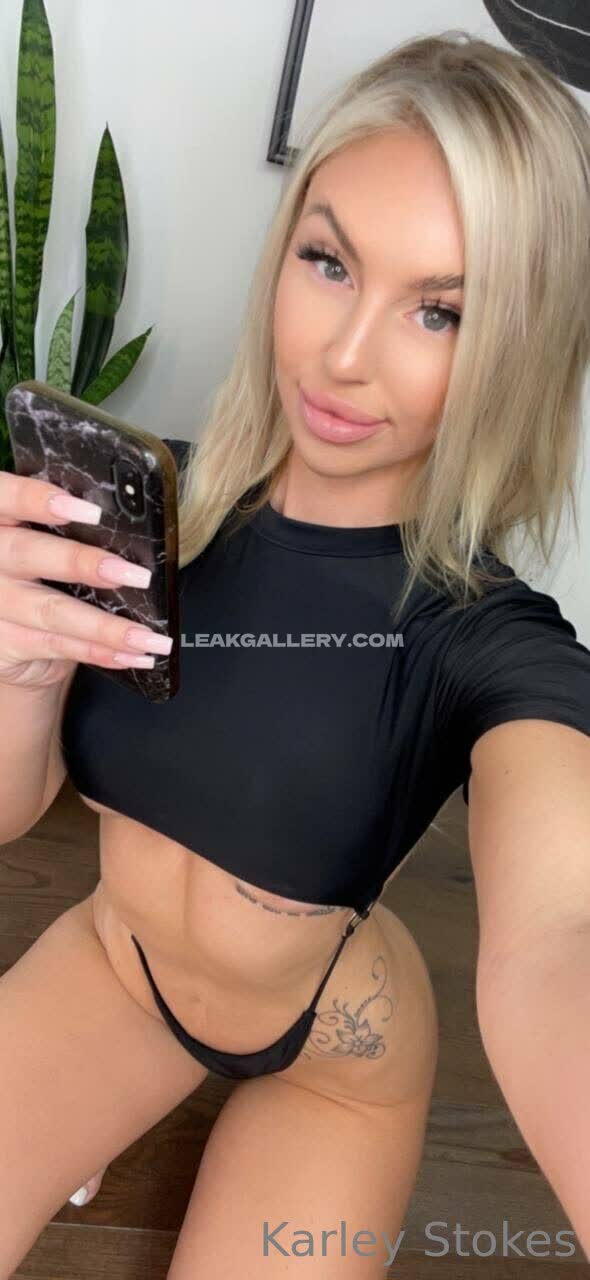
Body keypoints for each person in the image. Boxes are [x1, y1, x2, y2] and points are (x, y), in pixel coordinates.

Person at [0, 28, 589, 1276]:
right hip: (115, 966)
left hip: (336, 1045)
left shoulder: (491, 642)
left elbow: (558, 941)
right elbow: (13, 805)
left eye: (437, 310)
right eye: (328, 261)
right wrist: (24, 664)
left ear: (513, 342)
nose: (343, 353)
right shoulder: (145, 511)